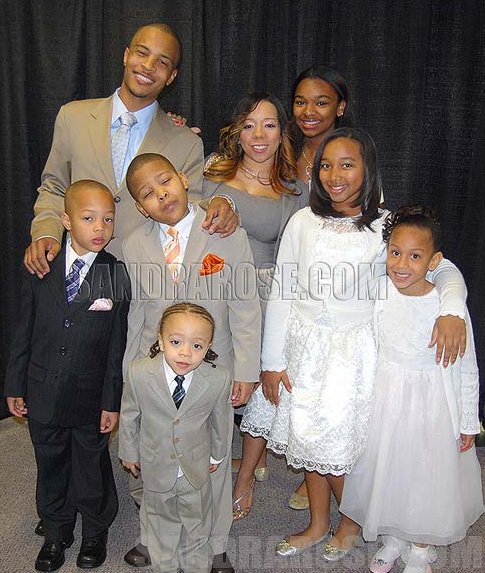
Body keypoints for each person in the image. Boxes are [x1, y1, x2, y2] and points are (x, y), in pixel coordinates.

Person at [249, 127, 467, 560]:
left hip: (357, 352)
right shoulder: (302, 222)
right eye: (326, 165)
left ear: (367, 170)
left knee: (345, 446)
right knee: (306, 438)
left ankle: (350, 522)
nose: (335, 175)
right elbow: (283, 291)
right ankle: (316, 523)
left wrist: (452, 308)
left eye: (347, 164)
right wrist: (272, 360)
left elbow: (443, 268)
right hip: (303, 347)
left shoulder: (386, 225)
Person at [122, 153, 262, 573]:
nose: (160, 193)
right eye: (147, 193)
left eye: (165, 181)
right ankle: (154, 535)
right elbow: (139, 315)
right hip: (157, 367)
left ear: (184, 179)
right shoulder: (134, 244)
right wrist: (131, 374)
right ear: (139, 207)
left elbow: (244, 305)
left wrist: (246, 369)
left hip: (212, 368)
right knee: (157, 451)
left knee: (213, 457)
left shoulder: (223, 232)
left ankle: (214, 542)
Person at [24, 22, 237, 278]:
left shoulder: (186, 142)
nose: (148, 66)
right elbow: (54, 188)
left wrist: (224, 203)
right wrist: (47, 232)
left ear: (172, 76)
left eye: (162, 62)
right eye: (142, 53)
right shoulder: (72, 117)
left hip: (145, 281)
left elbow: (188, 212)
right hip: (77, 275)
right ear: (126, 55)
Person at [340, 205, 484, 573]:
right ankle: (394, 536)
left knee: (425, 474)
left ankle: (420, 546)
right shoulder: (380, 292)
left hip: (431, 405)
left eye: (415, 256)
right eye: (395, 252)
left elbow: (466, 368)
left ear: (434, 260)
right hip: (386, 400)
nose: (402, 264)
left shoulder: (446, 307)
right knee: (387, 469)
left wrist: (469, 420)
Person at [5, 181, 131, 572]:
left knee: (91, 464)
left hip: (90, 393)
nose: (100, 227)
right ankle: (57, 530)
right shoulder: (39, 266)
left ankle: (95, 529)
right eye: (88, 218)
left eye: (107, 219)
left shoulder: (115, 273)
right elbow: (22, 329)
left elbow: (116, 346)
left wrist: (112, 401)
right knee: (50, 463)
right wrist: (15, 384)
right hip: (42, 389)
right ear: (65, 220)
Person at [202, 92, 308, 518]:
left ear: (282, 132)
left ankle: (247, 466)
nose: (258, 134)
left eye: (269, 124)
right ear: (236, 132)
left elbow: (295, 255)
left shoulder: (294, 190)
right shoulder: (212, 170)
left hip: (262, 296)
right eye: (249, 125)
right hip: (208, 290)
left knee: (256, 382)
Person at [119, 303, 233, 573]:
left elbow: (221, 421)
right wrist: (129, 453)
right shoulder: (138, 372)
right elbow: (129, 415)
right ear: (160, 340)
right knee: (161, 528)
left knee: (198, 527)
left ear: (208, 347)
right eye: (176, 342)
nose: (185, 353)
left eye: (197, 346)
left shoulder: (218, 378)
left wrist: (217, 454)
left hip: (196, 470)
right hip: (156, 466)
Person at [291, 64, 352, 186]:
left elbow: (372, 204)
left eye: (320, 103)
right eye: (300, 102)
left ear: (340, 107)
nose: (308, 112)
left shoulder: (356, 154)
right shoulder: (281, 153)